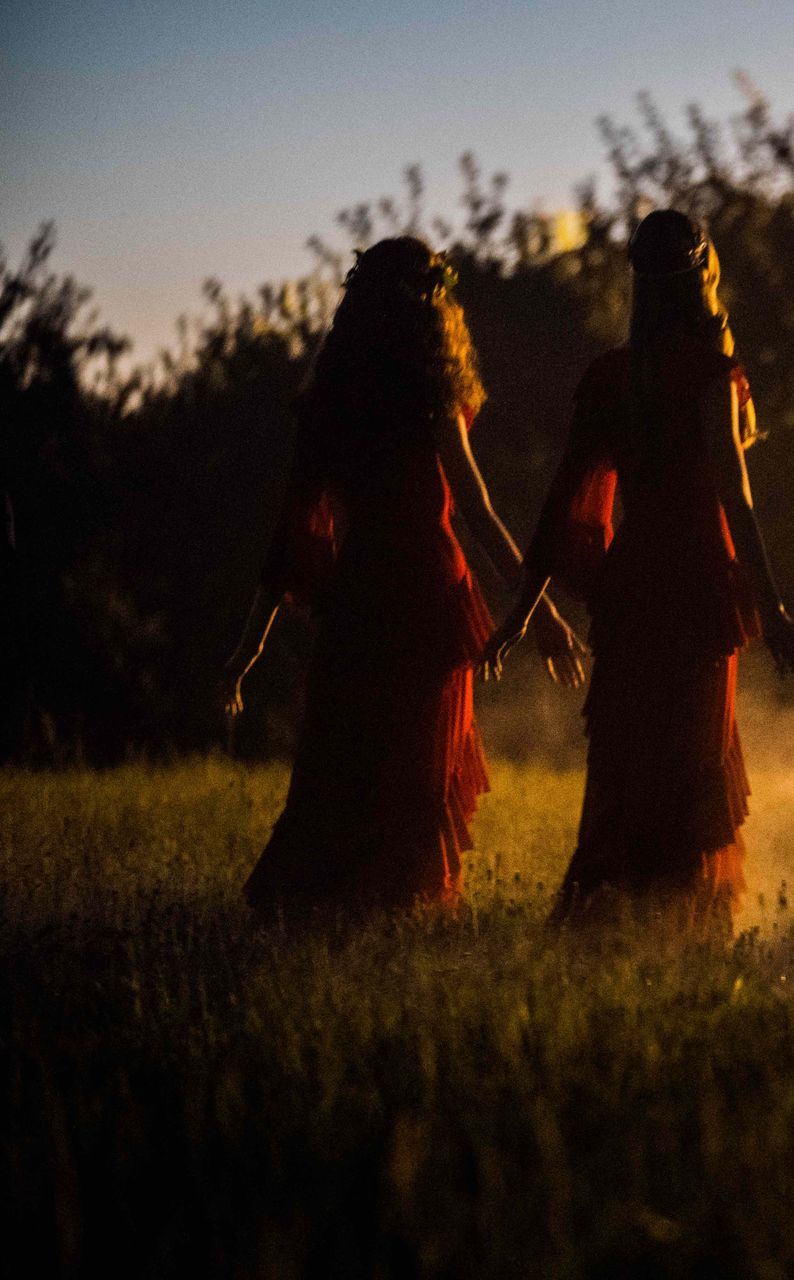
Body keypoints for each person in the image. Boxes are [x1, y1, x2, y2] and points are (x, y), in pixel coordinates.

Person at [224, 235, 583, 917]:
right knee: (416, 777)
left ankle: (332, 914)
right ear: (432, 309)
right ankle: (401, 914)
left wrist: (248, 647)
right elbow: (478, 514)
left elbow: (291, 536)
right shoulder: (434, 400)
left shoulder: (328, 408)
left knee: (345, 768)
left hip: (359, 602)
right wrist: (543, 615)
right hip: (429, 603)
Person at [481, 210, 794, 936]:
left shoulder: (610, 377)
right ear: (702, 277)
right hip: (699, 584)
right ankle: (685, 924)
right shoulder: (712, 374)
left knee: (628, 756)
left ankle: (607, 919)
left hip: (633, 586)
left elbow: (564, 502)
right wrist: (773, 605)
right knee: (692, 755)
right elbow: (735, 495)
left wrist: (521, 613)